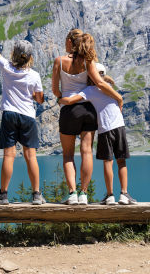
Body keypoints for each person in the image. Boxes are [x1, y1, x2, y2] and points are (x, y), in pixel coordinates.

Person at [62, 39, 137, 205]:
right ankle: (124, 194)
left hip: (104, 129)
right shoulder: (111, 89)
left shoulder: (89, 90)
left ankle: (110, 195)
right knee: (121, 160)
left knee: (108, 162)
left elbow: (71, 100)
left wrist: (61, 99)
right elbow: (105, 83)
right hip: (119, 127)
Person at [0, 26, 46, 205]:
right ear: (30, 57)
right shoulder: (34, 76)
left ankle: (3, 195)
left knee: (9, 155)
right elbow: (40, 99)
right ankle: (36, 195)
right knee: (30, 155)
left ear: (14, 55)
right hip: (27, 117)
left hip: (9, 115)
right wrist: (33, 95)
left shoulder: (6, 68)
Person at [51, 29, 96, 205]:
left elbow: (55, 89)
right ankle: (84, 194)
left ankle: (72, 194)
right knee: (87, 152)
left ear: (70, 42)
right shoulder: (87, 61)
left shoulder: (59, 61)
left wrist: (62, 97)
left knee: (68, 155)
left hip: (69, 110)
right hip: (88, 109)